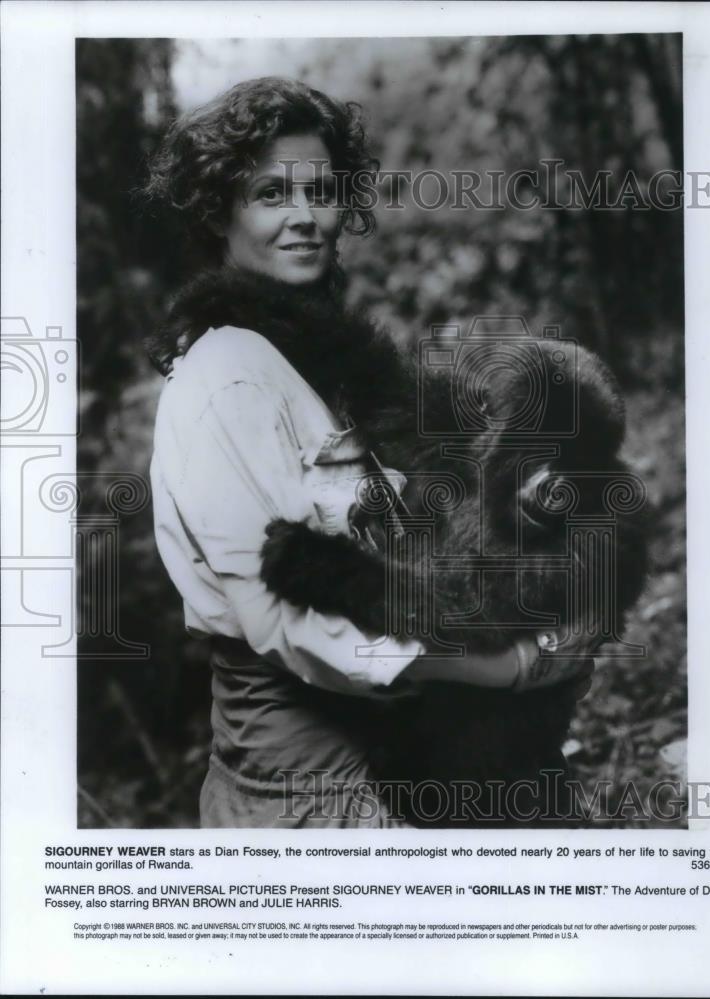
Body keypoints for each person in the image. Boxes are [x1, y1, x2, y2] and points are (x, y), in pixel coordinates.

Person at [145, 77, 595, 828]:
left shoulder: (311, 349)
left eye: (320, 191)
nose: (305, 218)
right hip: (311, 777)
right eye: (270, 194)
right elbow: (295, 628)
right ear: (217, 207)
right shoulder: (228, 377)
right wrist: (517, 666)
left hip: (408, 737)